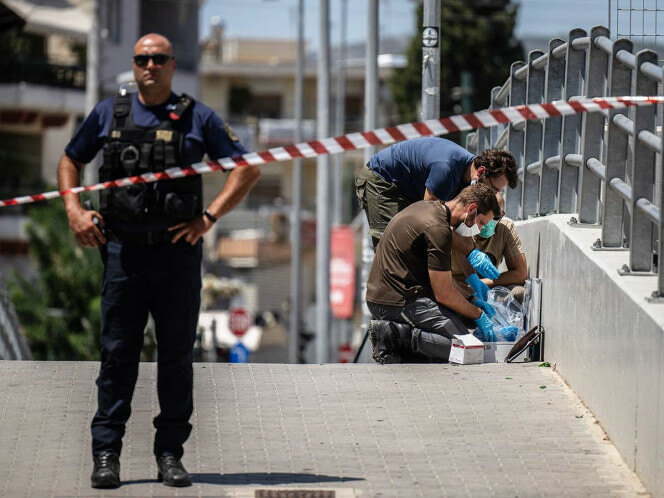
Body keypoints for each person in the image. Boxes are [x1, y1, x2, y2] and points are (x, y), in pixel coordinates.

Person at [57, 34, 260, 489]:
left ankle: (170, 454)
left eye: (159, 58)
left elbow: (247, 167)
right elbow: (70, 160)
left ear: (172, 65)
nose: (150, 65)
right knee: (117, 357)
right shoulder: (110, 113)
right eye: (142, 59)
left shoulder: (196, 117)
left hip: (176, 256)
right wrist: (74, 211)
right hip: (122, 253)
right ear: (135, 64)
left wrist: (208, 218)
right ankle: (106, 454)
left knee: (175, 360)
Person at [365, 183, 501, 364]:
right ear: (472, 209)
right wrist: (478, 314)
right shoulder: (438, 229)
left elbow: (443, 279)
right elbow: (444, 293)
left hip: (399, 292)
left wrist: (472, 300)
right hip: (394, 300)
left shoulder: (429, 208)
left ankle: (411, 347)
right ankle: (396, 335)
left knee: (463, 320)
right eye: (481, 222)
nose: (480, 229)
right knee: (469, 349)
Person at [452, 193, 528, 303]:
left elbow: (520, 274)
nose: (489, 222)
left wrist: (480, 284)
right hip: (457, 288)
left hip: (488, 287)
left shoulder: (505, 227)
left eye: (496, 217)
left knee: (519, 292)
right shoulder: (459, 227)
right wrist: (466, 287)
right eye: (484, 219)